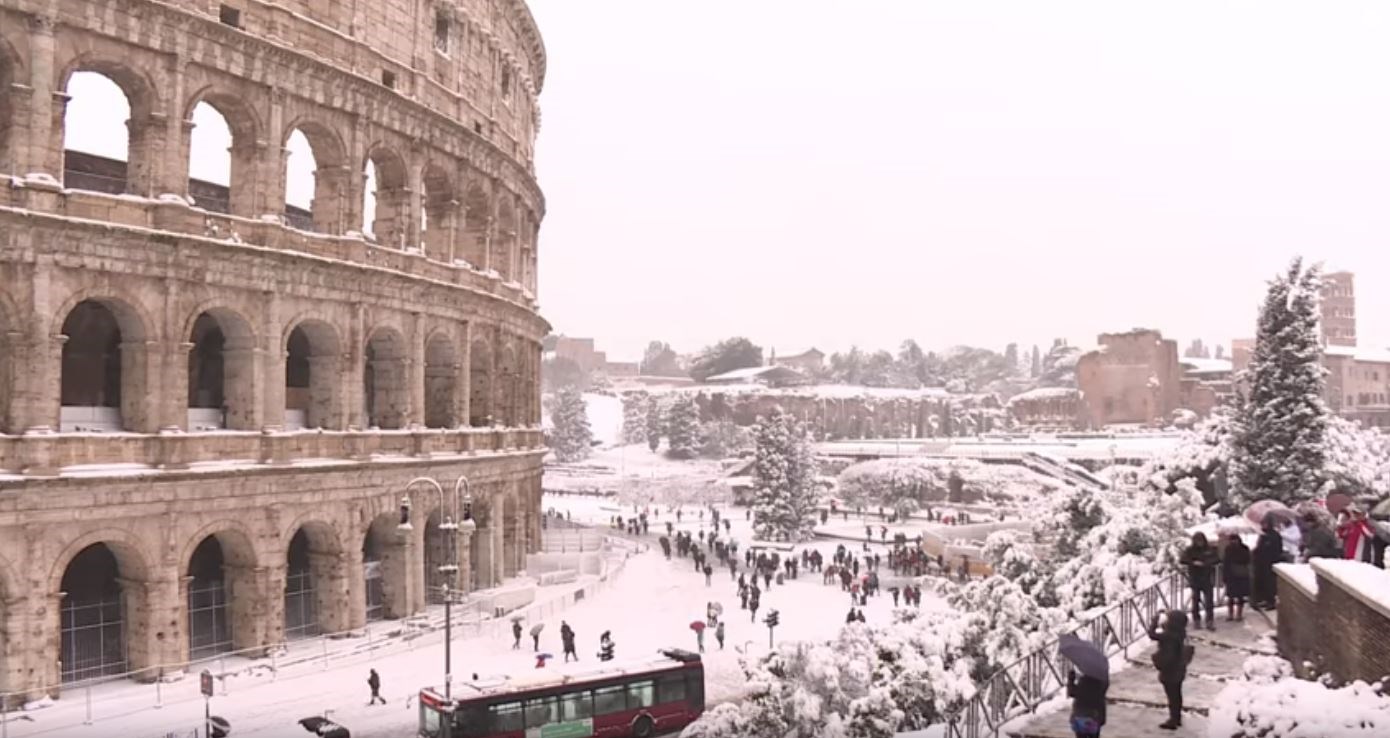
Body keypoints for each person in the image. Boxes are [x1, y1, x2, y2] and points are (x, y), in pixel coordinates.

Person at [1147, 610, 1192, 730]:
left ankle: (1173, 720)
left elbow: (1151, 634)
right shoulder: (1180, 633)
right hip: (1179, 669)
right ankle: (1177, 718)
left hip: (1170, 670)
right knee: (1177, 694)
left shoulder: (1168, 635)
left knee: (1171, 695)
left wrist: (1154, 620)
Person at [1180, 532, 1219, 630]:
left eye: (1201, 541)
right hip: (1195, 577)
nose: (1199, 543)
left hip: (1207, 577)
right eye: (1197, 541)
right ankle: (1196, 620)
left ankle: (1209, 620)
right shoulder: (1190, 550)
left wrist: (1206, 563)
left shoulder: (1209, 549)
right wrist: (1193, 562)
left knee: (1209, 600)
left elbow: (1217, 559)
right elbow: (1183, 559)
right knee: (1196, 600)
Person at [1252, 518, 1284, 611]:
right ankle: (1264, 599)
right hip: (1261, 563)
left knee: (1270, 583)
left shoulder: (1274, 535)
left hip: (1270, 562)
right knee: (1263, 583)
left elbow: (1276, 549)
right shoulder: (1263, 535)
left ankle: (1271, 601)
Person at [1066, 669, 1107, 738]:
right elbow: (1101, 704)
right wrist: (1102, 720)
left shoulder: (1082, 682)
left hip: (1079, 718)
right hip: (1093, 719)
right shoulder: (1099, 685)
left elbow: (1071, 692)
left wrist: (1071, 680)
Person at [1221, 533, 1251, 622]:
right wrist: (1225, 576)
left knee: (1240, 596)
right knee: (1231, 596)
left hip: (1241, 575)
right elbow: (1225, 562)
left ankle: (1239, 614)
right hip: (1232, 575)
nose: (1233, 542)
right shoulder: (1228, 549)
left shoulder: (1244, 548)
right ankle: (1230, 614)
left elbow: (1247, 559)